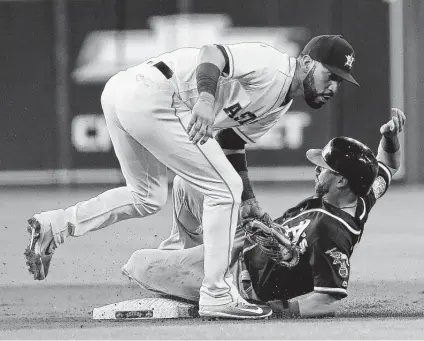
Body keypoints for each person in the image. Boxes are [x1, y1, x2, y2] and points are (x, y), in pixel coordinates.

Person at [25, 35, 359, 319]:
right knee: (224, 187)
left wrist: (250, 201)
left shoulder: (280, 103)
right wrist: (205, 97)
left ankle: (58, 223)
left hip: (127, 95)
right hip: (154, 94)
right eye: (330, 74)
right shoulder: (273, 66)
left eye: (339, 82)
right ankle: (217, 293)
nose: (333, 86)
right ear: (306, 61)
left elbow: (231, 143)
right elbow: (212, 53)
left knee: (148, 196)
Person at [122, 108, 405, 318]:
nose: (317, 169)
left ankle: (202, 282)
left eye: (324, 167)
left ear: (342, 180)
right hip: (244, 240)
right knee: (187, 184)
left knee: (139, 264)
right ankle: (182, 260)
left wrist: (282, 310)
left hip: (238, 278)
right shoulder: (362, 194)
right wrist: (389, 138)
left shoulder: (332, 231)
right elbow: (387, 166)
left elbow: (328, 299)